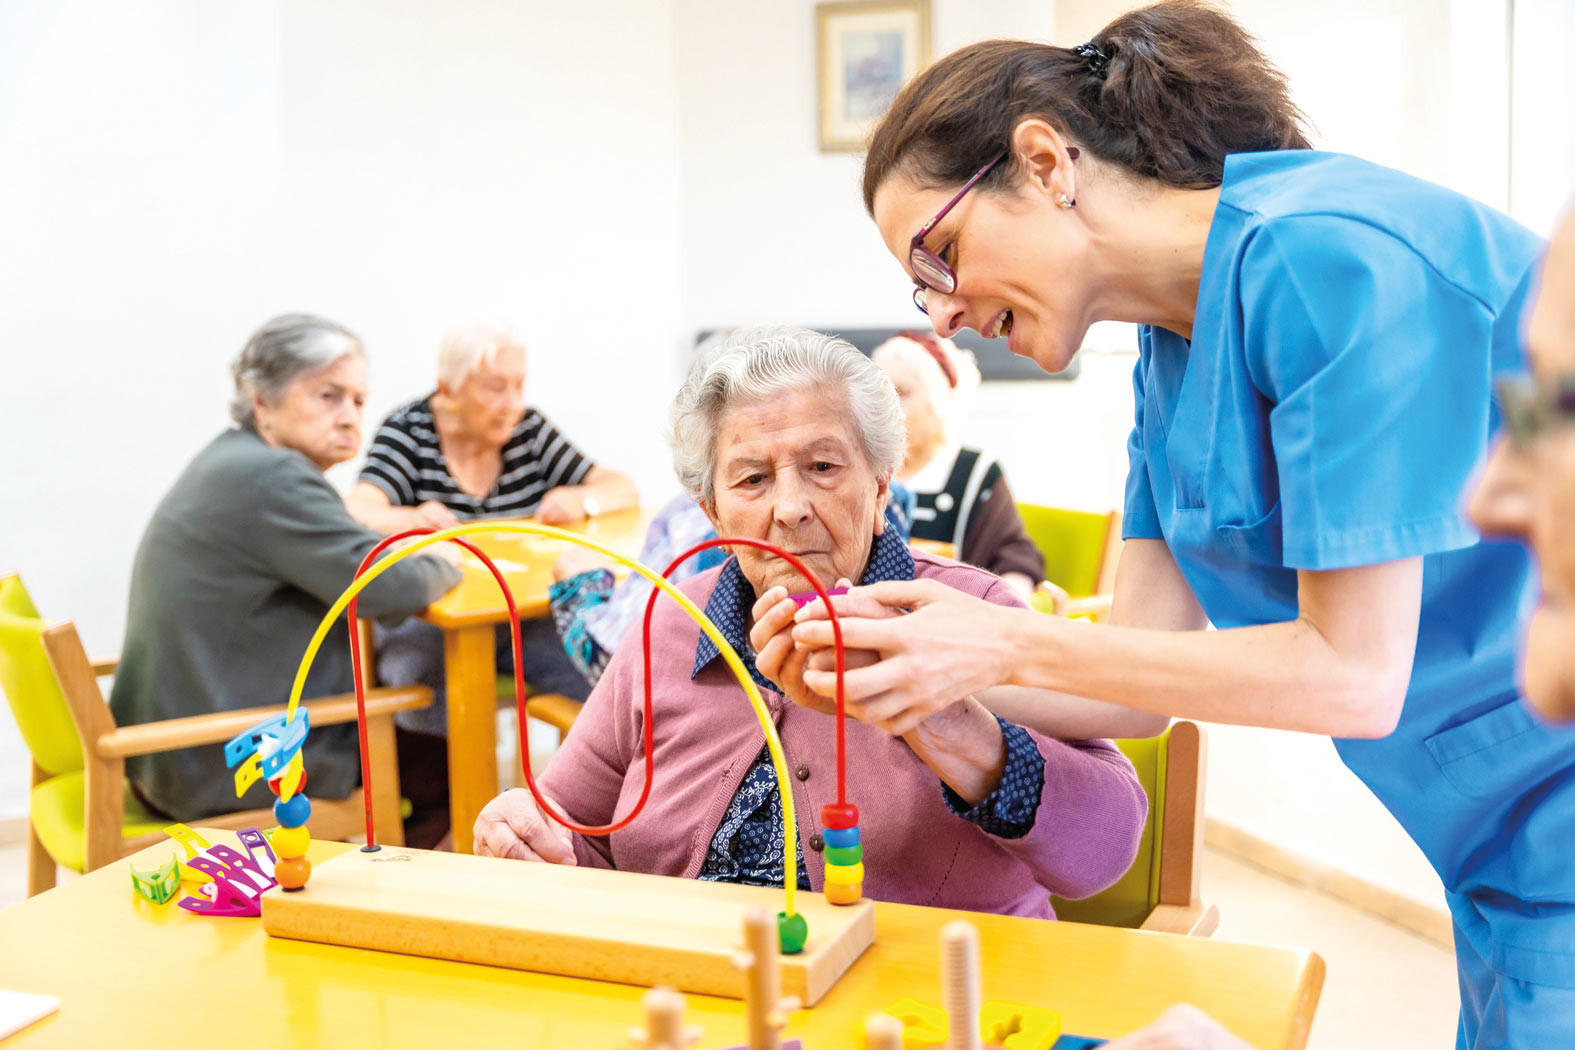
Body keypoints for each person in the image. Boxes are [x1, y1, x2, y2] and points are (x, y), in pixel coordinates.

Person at [787, 2, 1572, 1044]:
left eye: (939, 255)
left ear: (1045, 160)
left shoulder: (1327, 258)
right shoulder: (1167, 353)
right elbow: (1134, 682)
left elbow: (1352, 678)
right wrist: (894, 667)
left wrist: (998, 636)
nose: (939, 314)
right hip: (1494, 852)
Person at [473, 326, 1147, 916]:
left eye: (821, 467)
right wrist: (533, 840)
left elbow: (1103, 851)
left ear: (882, 485)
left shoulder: (965, 612)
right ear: (711, 513)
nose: (789, 507)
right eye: (751, 480)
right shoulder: (670, 624)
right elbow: (574, 829)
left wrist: (941, 722)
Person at [108, 314, 461, 845]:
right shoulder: (273, 477)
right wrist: (447, 560)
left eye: (359, 401)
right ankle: (375, 909)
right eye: (328, 396)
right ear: (263, 401)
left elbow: (351, 559)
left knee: (410, 725)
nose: (349, 418)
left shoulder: (235, 461)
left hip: (169, 755)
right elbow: (394, 588)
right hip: (227, 759)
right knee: (447, 761)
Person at [348, 320, 639, 728]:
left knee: (604, 673)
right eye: (495, 387)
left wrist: (581, 499)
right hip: (434, 624)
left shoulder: (529, 431)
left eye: (519, 386)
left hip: (524, 619)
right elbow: (356, 511)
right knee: (424, 692)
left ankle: (580, 786)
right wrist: (409, 519)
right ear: (448, 390)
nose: (512, 404)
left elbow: (622, 489)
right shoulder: (409, 431)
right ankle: (447, 790)